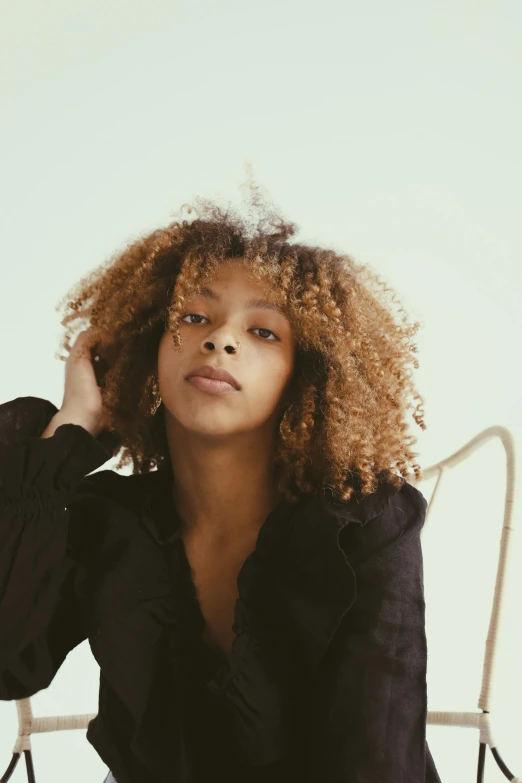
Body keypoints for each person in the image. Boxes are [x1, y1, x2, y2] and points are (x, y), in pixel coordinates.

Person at [0, 182, 443, 782]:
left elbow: (377, 756)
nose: (220, 338)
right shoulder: (106, 519)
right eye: (192, 316)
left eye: (264, 332)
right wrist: (68, 434)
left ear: (305, 376)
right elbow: (9, 661)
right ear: (148, 346)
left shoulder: (364, 524)